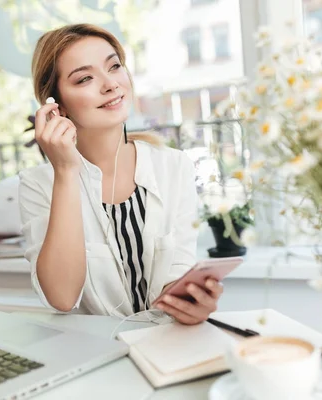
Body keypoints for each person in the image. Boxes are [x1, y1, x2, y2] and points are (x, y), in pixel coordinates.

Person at [19, 23, 223, 325]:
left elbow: (177, 269)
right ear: (56, 106)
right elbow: (62, 298)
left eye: (114, 66)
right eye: (85, 78)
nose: (110, 84)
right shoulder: (38, 184)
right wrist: (65, 171)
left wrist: (190, 302)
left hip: (167, 341)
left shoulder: (173, 166)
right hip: (94, 353)